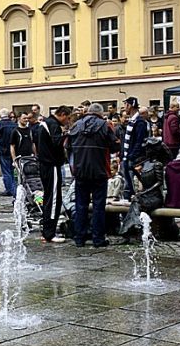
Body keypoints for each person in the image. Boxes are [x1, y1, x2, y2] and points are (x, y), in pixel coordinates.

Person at [67, 103, 119, 248]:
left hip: (80, 171)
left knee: (80, 205)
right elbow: (115, 146)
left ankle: (79, 238)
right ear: (101, 114)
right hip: (99, 170)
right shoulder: (105, 126)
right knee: (98, 206)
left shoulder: (76, 125)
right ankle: (98, 238)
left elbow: (67, 146)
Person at [37, 105, 70, 243]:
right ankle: (49, 233)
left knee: (48, 197)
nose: (67, 121)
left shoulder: (44, 123)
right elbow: (57, 143)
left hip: (44, 165)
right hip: (52, 165)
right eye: (67, 118)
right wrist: (66, 135)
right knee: (54, 199)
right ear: (62, 114)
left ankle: (47, 230)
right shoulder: (54, 125)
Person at [120, 97, 149, 200]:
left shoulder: (140, 122)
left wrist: (131, 156)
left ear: (130, 105)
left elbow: (139, 141)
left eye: (125, 105)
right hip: (126, 156)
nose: (124, 108)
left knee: (133, 183)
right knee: (128, 182)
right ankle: (129, 198)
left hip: (133, 158)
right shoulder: (131, 121)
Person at [0, 108, 18, 196]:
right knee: (13, 171)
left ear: (0, 116)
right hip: (14, 151)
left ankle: (10, 190)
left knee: (6, 171)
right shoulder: (15, 125)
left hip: (3, 151)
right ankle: (14, 189)